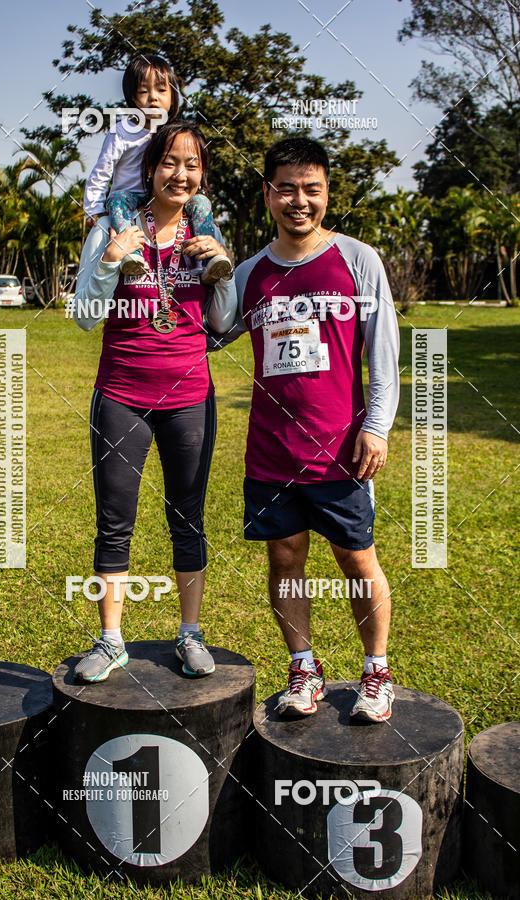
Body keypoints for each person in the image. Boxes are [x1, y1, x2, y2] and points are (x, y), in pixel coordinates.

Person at [212, 138, 400, 722]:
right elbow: (212, 332)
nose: (300, 201)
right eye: (287, 189)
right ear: (268, 194)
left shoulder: (358, 260)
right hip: (271, 451)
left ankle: (376, 673)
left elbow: (384, 353)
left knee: (357, 560)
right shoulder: (250, 272)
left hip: (342, 449)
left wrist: (377, 426)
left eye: (311, 189)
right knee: (285, 558)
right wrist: (197, 268)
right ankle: (303, 669)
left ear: (327, 193)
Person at [72, 121, 236, 683]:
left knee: (187, 517)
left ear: (201, 175)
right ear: (149, 168)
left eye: (192, 165)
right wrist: (111, 259)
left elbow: (223, 323)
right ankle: (111, 640)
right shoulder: (114, 228)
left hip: (189, 398)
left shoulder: (205, 234)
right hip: (121, 395)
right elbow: (84, 315)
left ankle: (189, 633)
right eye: (170, 162)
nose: (180, 174)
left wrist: (221, 270)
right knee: (114, 521)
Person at [83, 53, 232, 283]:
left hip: (164, 197)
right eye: (144, 91)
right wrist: (95, 210)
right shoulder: (122, 132)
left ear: (173, 97)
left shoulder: (172, 133)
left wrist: (201, 209)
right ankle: (132, 257)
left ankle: (207, 261)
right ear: (133, 98)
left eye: (162, 90)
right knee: (118, 201)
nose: (153, 97)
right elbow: (102, 172)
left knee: (202, 202)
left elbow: (191, 169)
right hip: (130, 198)